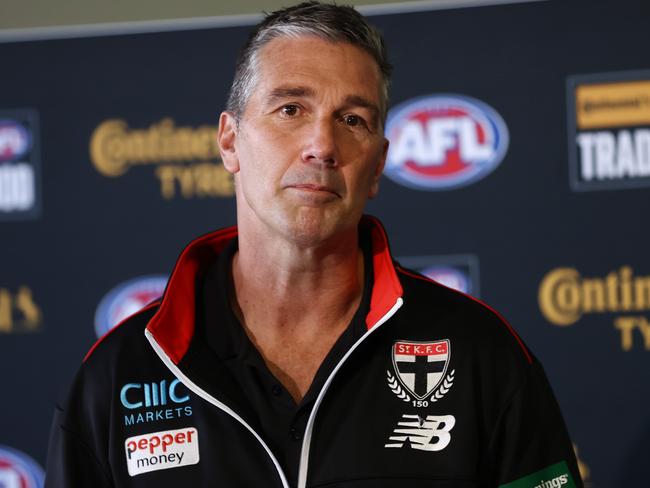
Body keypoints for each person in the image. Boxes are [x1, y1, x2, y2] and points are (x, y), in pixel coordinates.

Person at [45, 2, 583, 487]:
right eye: (291, 109)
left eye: (353, 120)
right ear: (230, 140)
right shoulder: (119, 376)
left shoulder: (481, 354)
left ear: (378, 164)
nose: (322, 145)